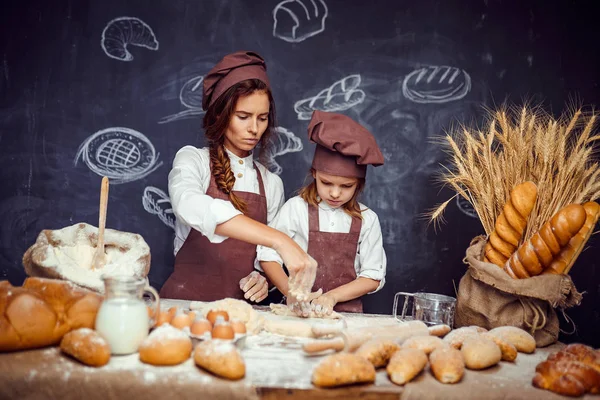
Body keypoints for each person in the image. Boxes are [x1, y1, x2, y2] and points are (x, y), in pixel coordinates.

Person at [160, 51, 316, 303]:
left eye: (262, 118)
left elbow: (265, 256)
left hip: (241, 317)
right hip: (182, 306)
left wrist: (262, 278)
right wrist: (280, 240)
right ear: (221, 115)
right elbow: (188, 203)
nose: (254, 128)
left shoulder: (271, 182)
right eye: (243, 117)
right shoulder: (193, 160)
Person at [256, 110, 387, 317]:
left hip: (348, 317)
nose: (335, 193)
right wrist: (289, 292)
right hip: (297, 313)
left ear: (359, 184)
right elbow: (267, 255)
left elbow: (372, 276)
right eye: (326, 183)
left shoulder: (367, 219)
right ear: (314, 173)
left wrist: (330, 297)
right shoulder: (296, 208)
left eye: (346, 186)